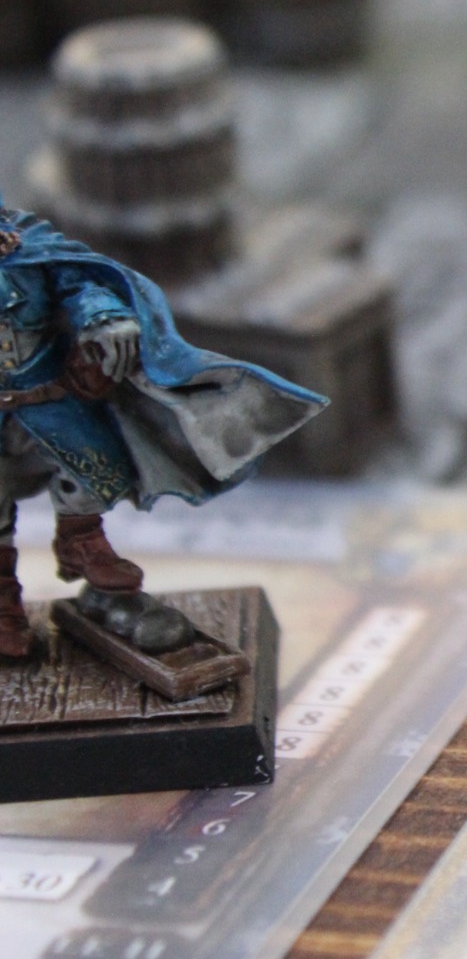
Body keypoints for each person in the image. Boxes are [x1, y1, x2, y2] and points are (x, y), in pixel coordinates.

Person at [0, 201, 326, 658]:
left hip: (49, 402)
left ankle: (82, 544)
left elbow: (80, 282)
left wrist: (103, 317)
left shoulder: (27, 241)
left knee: (90, 470)